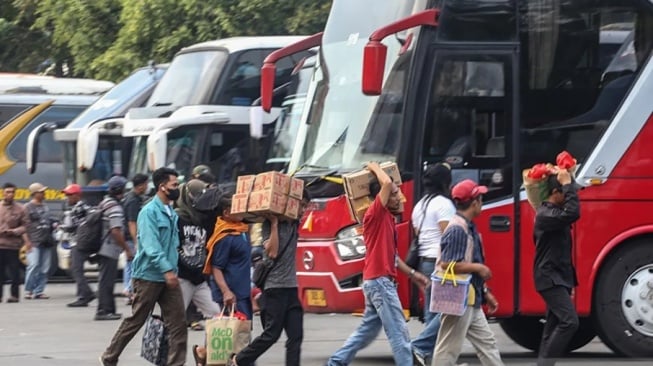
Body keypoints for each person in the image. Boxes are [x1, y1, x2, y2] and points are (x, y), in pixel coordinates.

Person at [326, 163, 430, 366]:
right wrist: (374, 167)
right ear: (382, 198)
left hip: (376, 283)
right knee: (398, 333)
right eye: (395, 194)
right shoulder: (375, 214)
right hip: (380, 284)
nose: (401, 198)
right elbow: (387, 183)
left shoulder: (388, 219)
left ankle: (336, 363)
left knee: (366, 332)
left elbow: (393, 258)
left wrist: (413, 275)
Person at [100, 167, 187, 366]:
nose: (177, 188)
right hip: (149, 276)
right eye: (174, 184)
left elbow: (172, 245)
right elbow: (150, 245)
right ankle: (109, 356)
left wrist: (172, 271)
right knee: (136, 319)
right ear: (162, 187)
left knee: (178, 324)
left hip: (168, 275)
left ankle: (176, 363)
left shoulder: (170, 211)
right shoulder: (149, 212)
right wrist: (167, 270)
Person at [227, 189, 313, 366]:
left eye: (306, 205)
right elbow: (272, 252)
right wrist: (274, 222)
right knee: (271, 335)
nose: (303, 210)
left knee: (296, 336)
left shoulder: (294, 223)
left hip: (291, 287)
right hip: (274, 288)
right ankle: (238, 360)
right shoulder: (268, 224)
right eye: (301, 205)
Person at [432, 179, 504, 366]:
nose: (481, 203)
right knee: (448, 349)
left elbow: (470, 259)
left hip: (471, 297)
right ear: (474, 203)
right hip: (459, 299)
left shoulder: (467, 226)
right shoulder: (457, 229)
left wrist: (485, 292)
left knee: (487, 344)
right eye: (480, 199)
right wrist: (478, 268)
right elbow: (448, 264)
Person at [410, 163, 456, 366]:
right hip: (441, 264)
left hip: (424, 263)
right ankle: (417, 346)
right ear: (446, 182)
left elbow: (419, 235)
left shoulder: (419, 205)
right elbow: (448, 237)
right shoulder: (444, 205)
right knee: (449, 311)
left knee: (432, 313)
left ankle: (430, 360)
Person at [534, 170, 580, 366]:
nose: (571, 195)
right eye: (567, 192)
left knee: (552, 326)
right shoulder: (545, 215)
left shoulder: (554, 215)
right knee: (570, 322)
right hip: (549, 278)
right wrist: (567, 183)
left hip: (559, 278)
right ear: (555, 192)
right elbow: (573, 212)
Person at [175, 179, 220, 330]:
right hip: (182, 277)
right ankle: (165, 351)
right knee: (175, 319)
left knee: (215, 313)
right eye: (197, 195)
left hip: (199, 278)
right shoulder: (177, 218)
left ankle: (209, 351)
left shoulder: (204, 218)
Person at [95, 176, 133, 320]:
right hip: (109, 248)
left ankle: (109, 309)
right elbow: (115, 230)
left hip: (103, 247)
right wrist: (127, 249)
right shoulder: (115, 207)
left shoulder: (105, 202)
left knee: (106, 279)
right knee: (107, 281)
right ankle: (103, 311)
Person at [60, 184, 95, 307]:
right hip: (82, 242)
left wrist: (60, 226)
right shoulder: (85, 207)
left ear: (77, 195)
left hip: (78, 242)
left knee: (76, 270)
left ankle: (86, 294)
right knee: (76, 269)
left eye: (69, 195)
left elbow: (72, 227)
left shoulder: (78, 209)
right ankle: (82, 296)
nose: (67, 197)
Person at [24, 182, 56, 300]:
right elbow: (24, 226)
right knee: (33, 265)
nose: (44, 194)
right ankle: (29, 290)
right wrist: (27, 241)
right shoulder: (27, 207)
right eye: (41, 192)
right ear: (35, 194)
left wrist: (54, 224)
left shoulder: (45, 206)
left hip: (46, 241)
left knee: (45, 268)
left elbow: (49, 220)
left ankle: (39, 291)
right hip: (34, 241)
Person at [121, 173, 148, 303]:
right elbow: (132, 222)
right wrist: (136, 241)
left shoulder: (133, 198)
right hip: (131, 238)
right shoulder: (133, 201)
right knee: (133, 264)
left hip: (129, 237)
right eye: (146, 184)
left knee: (131, 264)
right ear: (141, 185)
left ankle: (129, 289)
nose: (147, 187)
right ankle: (129, 289)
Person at [0, 183, 29, 303]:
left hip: (13, 245)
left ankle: (14, 295)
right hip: (0, 245)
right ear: (3, 193)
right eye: (8, 192)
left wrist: (14, 231)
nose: (10, 194)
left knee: (15, 272)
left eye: (12, 192)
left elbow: (26, 225)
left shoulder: (21, 208)